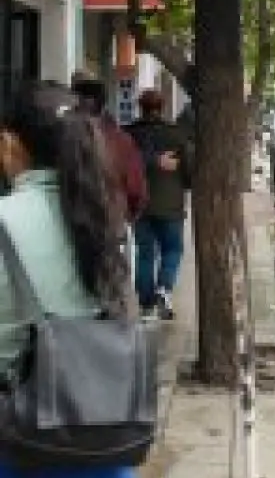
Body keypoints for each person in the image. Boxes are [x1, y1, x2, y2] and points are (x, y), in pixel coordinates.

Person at [0, 82, 136, 478]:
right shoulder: (114, 222)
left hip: (20, 441)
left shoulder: (6, 218)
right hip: (106, 440)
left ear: (10, 143)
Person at [70, 74, 147, 288]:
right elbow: (136, 190)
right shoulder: (119, 139)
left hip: (70, 231)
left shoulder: (61, 136)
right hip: (110, 230)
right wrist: (124, 216)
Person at [126, 89, 192, 320]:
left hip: (139, 203)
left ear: (140, 107)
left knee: (145, 252)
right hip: (170, 204)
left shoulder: (129, 135)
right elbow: (189, 171)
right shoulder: (176, 135)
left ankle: (146, 305)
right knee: (173, 249)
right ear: (162, 107)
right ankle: (164, 289)